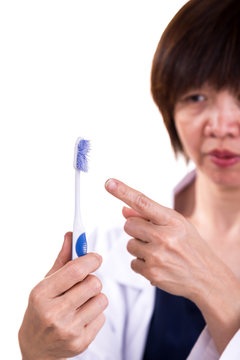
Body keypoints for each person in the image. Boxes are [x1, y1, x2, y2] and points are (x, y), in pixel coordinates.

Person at [19, 0, 240, 359]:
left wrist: (213, 286)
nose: (220, 126)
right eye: (196, 96)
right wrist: (36, 350)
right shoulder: (119, 250)